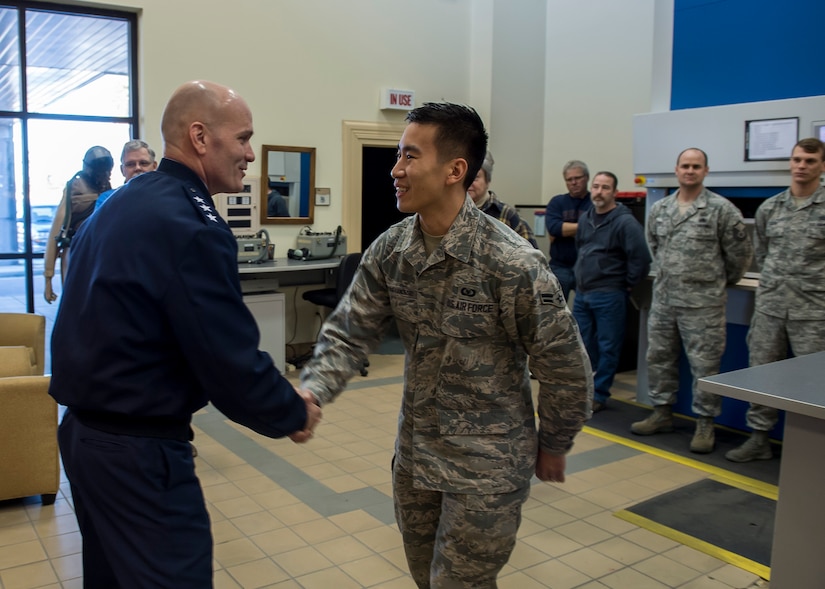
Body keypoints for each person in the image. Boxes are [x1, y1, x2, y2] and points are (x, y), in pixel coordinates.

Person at [299, 102, 592, 588]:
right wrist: (313, 390)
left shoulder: (511, 262)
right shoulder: (392, 250)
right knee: (425, 577)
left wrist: (556, 442)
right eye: (398, 155)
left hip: (487, 466)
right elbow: (350, 330)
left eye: (409, 156)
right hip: (417, 457)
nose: (396, 170)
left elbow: (564, 367)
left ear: (456, 170)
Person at [49, 80, 321, 589]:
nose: (249, 153)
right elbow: (227, 358)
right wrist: (290, 411)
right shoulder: (191, 226)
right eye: (242, 138)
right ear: (200, 136)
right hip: (137, 453)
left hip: (84, 435)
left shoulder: (118, 204)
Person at [631, 148, 753, 454]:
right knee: (659, 356)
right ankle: (661, 412)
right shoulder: (661, 209)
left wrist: (716, 281)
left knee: (705, 365)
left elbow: (739, 257)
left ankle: (705, 422)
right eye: (685, 166)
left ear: (705, 171)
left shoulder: (720, 210)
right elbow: (655, 247)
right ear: (676, 170)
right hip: (665, 300)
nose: (690, 171)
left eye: (696, 166)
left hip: (704, 304)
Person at [726, 137, 825, 462]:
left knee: (814, 382)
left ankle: (812, 448)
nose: (801, 166)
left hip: (813, 312)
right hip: (770, 309)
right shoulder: (771, 209)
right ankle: (759, 437)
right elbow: (764, 254)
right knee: (763, 372)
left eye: (810, 161)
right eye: (797, 159)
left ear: (821, 165)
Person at [573, 171, 651, 413]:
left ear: (614, 192)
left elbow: (641, 259)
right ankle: (585, 389)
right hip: (583, 294)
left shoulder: (625, 223)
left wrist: (625, 284)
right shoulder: (586, 218)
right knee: (582, 345)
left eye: (605, 187)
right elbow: (581, 248)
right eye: (596, 186)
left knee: (608, 346)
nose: (599, 191)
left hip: (609, 294)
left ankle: (600, 393)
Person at [43, 146, 114, 303]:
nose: (105, 174)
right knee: (74, 302)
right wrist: (48, 276)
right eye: (100, 169)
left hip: (100, 252)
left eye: (107, 169)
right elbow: (57, 230)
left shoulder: (108, 189)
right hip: (75, 249)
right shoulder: (74, 187)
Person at [467, 150, 538, 248]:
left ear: (487, 181)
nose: (468, 183)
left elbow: (532, 257)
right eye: (464, 177)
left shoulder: (507, 214)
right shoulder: (452, 212)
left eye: (475, 177)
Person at [544, 159, 592, 301]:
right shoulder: (557, 202)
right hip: (559, 267)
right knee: (554, 312)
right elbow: (554, 228)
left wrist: (565, 229)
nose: (573, 182)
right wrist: (585, 227)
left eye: (577, 178)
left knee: (585, 312)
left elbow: (599, 230)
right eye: (569, 179)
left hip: (587, 269)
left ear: (587, 178)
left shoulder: (594, 202)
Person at [94, 139, 158, 211]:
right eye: (130, 164)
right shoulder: (107, 199)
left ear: (154, 166)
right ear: (122, 170)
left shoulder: (165, 196)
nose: (137, 168)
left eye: (143, 163)